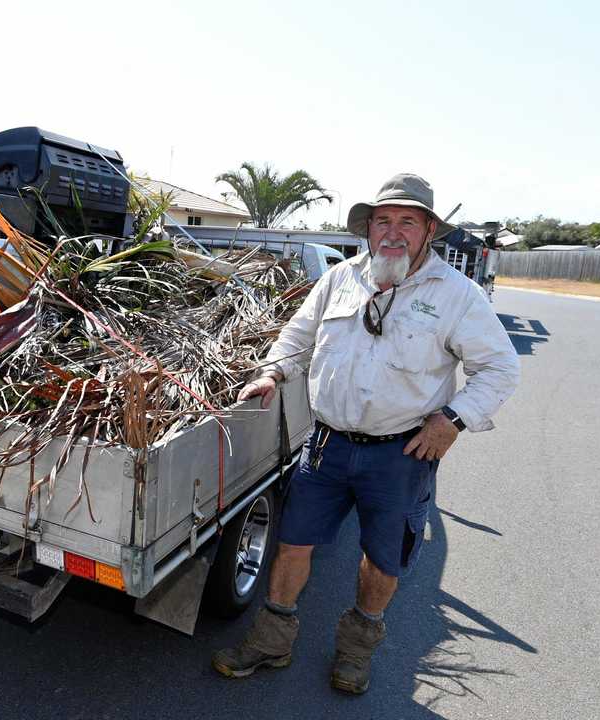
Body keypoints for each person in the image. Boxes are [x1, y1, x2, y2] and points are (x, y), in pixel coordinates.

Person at [212, 173, 520, 694]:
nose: (392, 232)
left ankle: (355, 654)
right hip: (327, 443)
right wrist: (273, 372)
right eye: (383, 221)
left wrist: (454, 418)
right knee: (293, 545)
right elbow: (298, 335)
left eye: (406, 221)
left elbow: (500, 368)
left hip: (399, 454)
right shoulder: (341, 278)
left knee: (382, 559)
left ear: (427, 230)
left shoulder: (457, 295)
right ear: (368, 229)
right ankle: (272, 641)